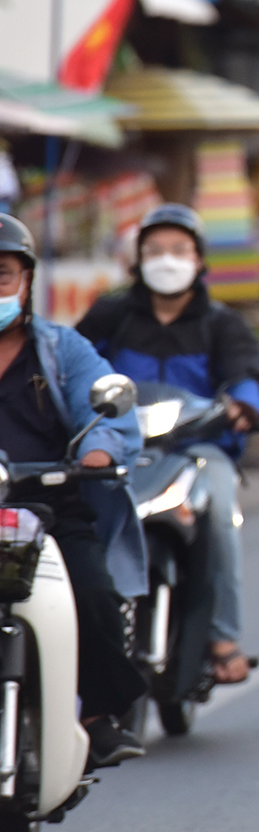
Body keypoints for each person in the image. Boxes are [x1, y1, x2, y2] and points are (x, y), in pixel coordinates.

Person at [77, 203, 259, 688]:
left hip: (199, 449)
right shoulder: (110, 314)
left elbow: (245, 376)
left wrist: (244, 406)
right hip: (119, 447)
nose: (167, 259)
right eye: (155, 249)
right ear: (137, 259)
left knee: (221, 516)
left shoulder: (223, 323)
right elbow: (74, 368)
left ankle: (222, 638)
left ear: (200, 260)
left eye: (179, 250)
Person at [0, 216, 149, 769]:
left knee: (91, 595)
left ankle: (97, 717)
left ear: (27, 281)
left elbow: (108, 414)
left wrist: (100, 450)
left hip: (49, 512)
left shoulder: (64, 350)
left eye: (2, 275)